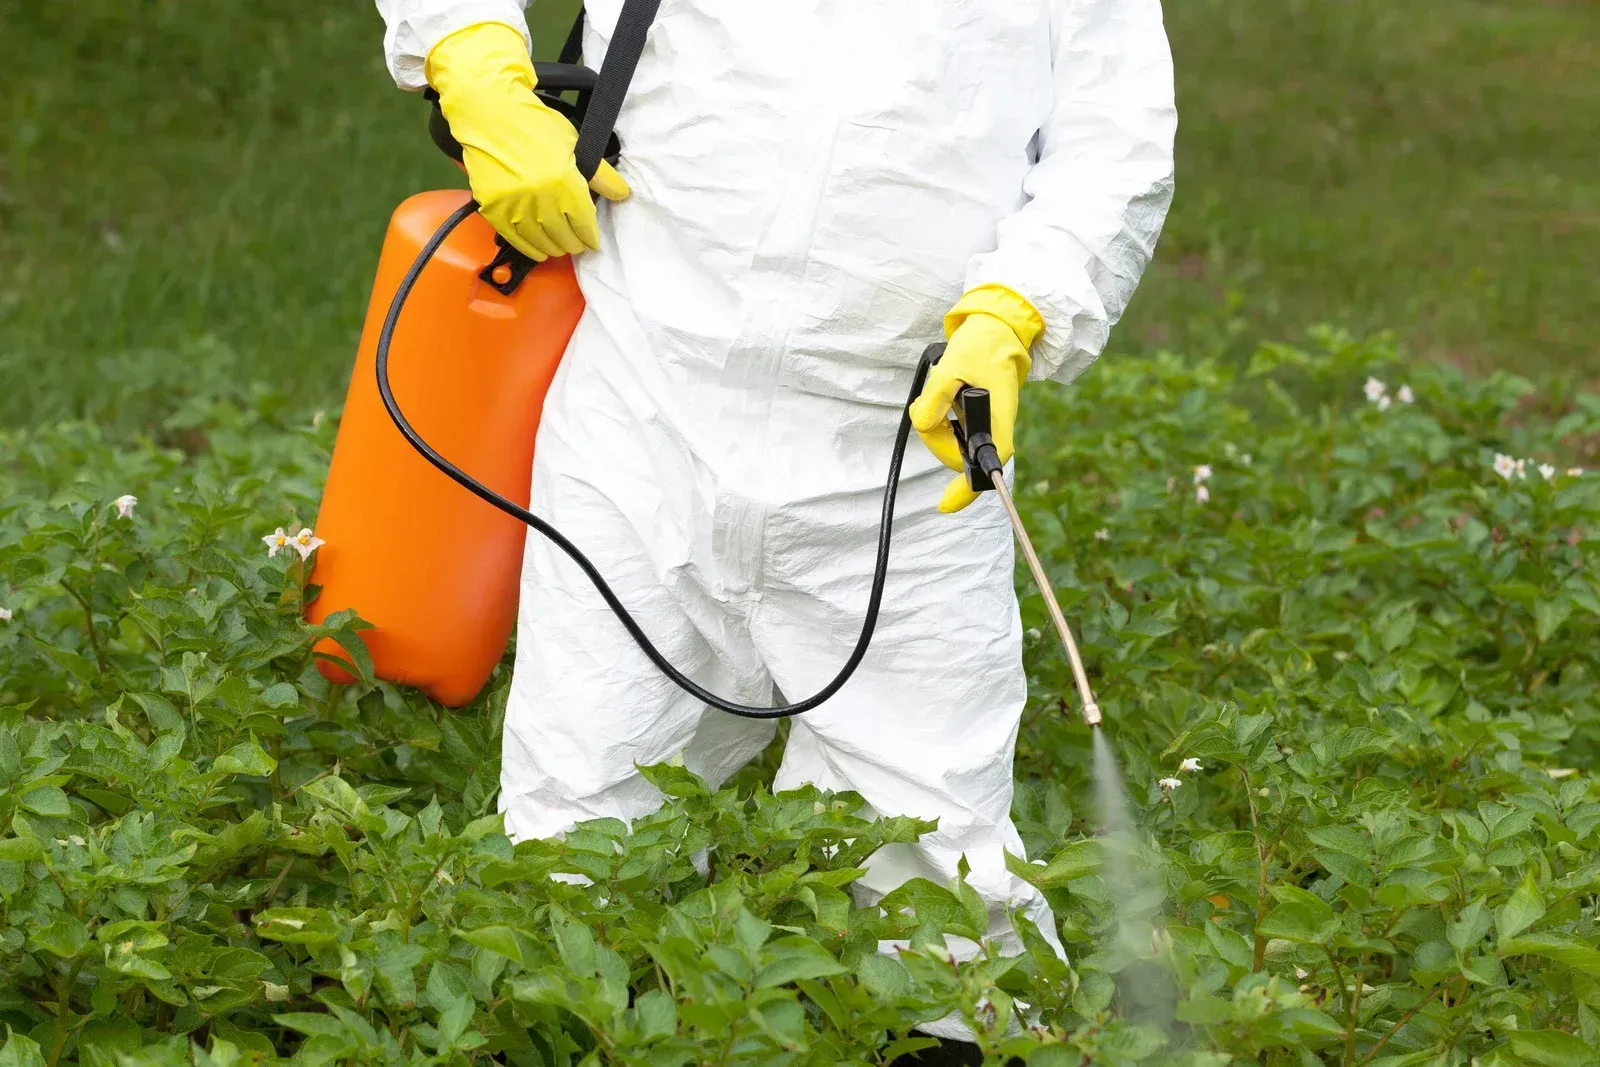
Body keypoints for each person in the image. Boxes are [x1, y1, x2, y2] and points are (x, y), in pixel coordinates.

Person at [378, 1, 1174, 1059]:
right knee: (577, 837)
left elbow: (1113, 141)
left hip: (895, 455)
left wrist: (1017, 307)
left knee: (932, 891)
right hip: (641, 402)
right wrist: (468, 54)